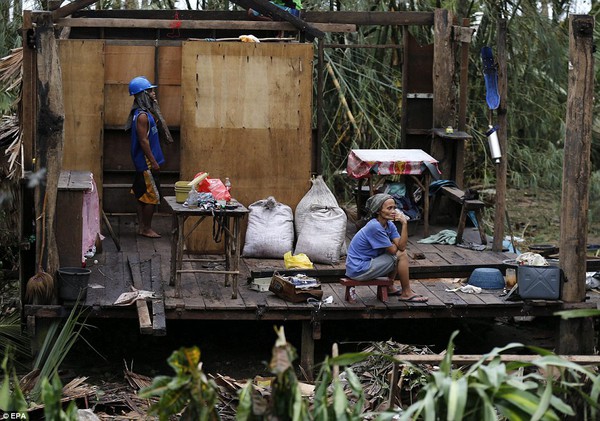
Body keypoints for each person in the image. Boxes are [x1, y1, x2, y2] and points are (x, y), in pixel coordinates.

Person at [345, 193, 428, 302]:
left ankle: (389, 287)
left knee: (400, 253)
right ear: (378, 211)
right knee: (400, 255)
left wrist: (404, 224)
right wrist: (394, 244)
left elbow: (402, 246)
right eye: (389, 208)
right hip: (358, 269)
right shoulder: (374, 226)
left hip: (367, 264)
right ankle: (406, 292)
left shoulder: (389, 225)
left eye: (394, 208)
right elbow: (395, 250)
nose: (393, 211)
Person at [125, 76, 165, 238]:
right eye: (150, 91)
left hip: (145, 162)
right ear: (142, 94)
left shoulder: (144, 113)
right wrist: (154, 162)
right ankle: (146, 228)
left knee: (140, 192)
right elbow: (143, 141)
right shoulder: (141, 116)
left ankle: (142, 226)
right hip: (147, 163)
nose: (153, 93)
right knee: (151, 196)